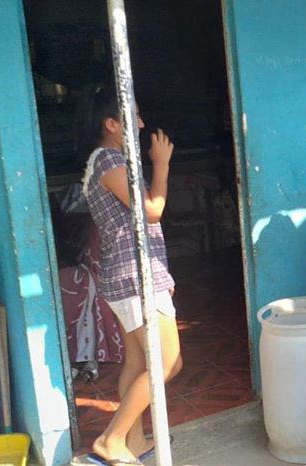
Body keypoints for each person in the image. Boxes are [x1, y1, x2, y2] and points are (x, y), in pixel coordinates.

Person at [75, 84, 183, 465]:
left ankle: (132, 441)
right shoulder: (108, 161)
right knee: (167, 361)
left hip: (129, 276)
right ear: (110, 124)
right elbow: (151, 210)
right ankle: (112, 438)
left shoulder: (108, 160)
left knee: (138, 364)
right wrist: (162, 164)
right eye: (132, 116)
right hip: (135, 277)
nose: (140, 123)